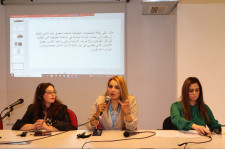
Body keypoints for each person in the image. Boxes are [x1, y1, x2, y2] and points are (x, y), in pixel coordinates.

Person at [12, 83, 77, 131]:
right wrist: (33, 126)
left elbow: (70, 126)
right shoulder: (32, 108)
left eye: (54, 92)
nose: (52, 94)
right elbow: (17, 126)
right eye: (49, 92)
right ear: (40, 95)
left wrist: (48, 127)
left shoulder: (62, 108)